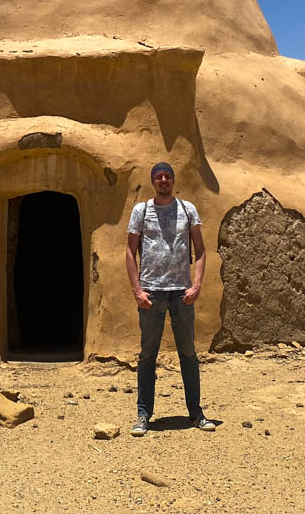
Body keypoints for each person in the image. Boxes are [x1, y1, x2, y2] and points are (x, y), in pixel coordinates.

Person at [125, 161, 214, 435]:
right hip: (151, 292)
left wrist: (196, 285)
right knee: (147, 355)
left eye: (167, 177)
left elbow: (200, 250)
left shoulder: (187, 210)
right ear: (153, 181)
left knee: (187, 353)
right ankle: (143, 415)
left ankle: (196, 413)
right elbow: (130, 251)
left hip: (181, 292)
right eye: (159, 177)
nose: (164, 181)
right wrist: (137, 290)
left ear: (173, 181)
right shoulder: (141, 211)